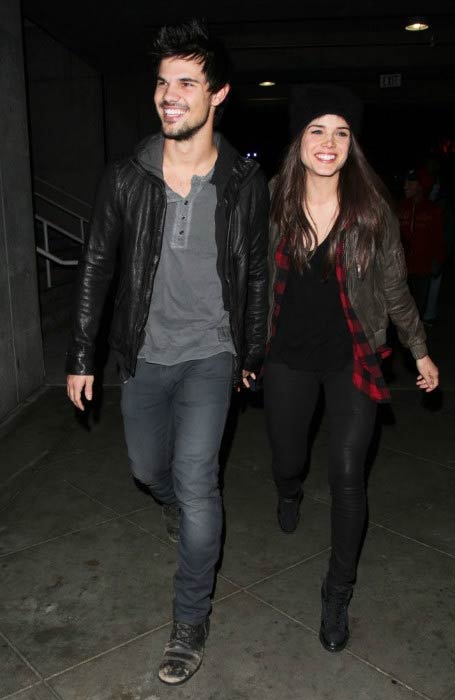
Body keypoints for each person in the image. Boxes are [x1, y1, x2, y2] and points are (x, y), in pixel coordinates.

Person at [66, 19, 268, 685]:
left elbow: (257, 275)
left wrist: (251, 352)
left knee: (196, 480)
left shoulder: (242, 184)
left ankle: (189, 619)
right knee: (148, 470)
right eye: (162, 82)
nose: (169, 94)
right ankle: (176, 508)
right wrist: (82, 354)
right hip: (143, 357)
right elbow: (97, 265)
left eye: (186, 82)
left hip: (211, 354)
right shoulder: (127, 178)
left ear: (219, 95)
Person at [264, 84, 438, 655]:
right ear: (299, 141)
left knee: (346, 474)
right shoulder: (272, 202)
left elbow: (393, 289)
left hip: (352, 361)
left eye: (341, 132)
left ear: (352, 144)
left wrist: (420, 348)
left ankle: (337, 591)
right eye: (317, 129)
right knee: (289, 457)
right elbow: (247, 282)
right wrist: (241, 349)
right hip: (287, 358)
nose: (329, 142)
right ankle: (288, 490)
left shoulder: (371, 211)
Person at [398, 168, 444, 320]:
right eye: (405, 182)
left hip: (422, 269)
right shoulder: (400, 207)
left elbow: (438, 238)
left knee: (417, 307)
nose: (405, 186)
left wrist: (437, 260)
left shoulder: (432, 210)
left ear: (420, 186)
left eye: (410, 182)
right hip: (401, 269)